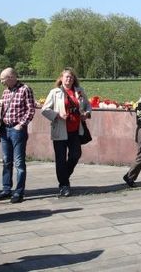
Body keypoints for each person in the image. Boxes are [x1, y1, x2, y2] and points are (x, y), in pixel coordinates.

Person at [40, 68, 91, 198]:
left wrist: (86, 113)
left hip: (75, 130)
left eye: (71, 77)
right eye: (67, 77)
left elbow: (87, 105)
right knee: (61, 159)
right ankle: (64, 185)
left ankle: (64, 176)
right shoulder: (55, 92)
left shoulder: (79, 91)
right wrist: (57, 115)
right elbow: (45, 109)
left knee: (76, 155)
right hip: (60, 130)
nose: (69, 79)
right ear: (61, 78)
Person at [0, 67, 36, 204]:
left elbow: (31, 109)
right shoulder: (6, 91)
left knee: (19, 162)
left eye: (3, 79)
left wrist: (21, 124)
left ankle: (19, 192)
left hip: (17, 130)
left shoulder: (25, 89)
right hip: (5, 130)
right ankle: (6, 189)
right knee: (6, 161)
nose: (1, 81)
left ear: (11, 77)